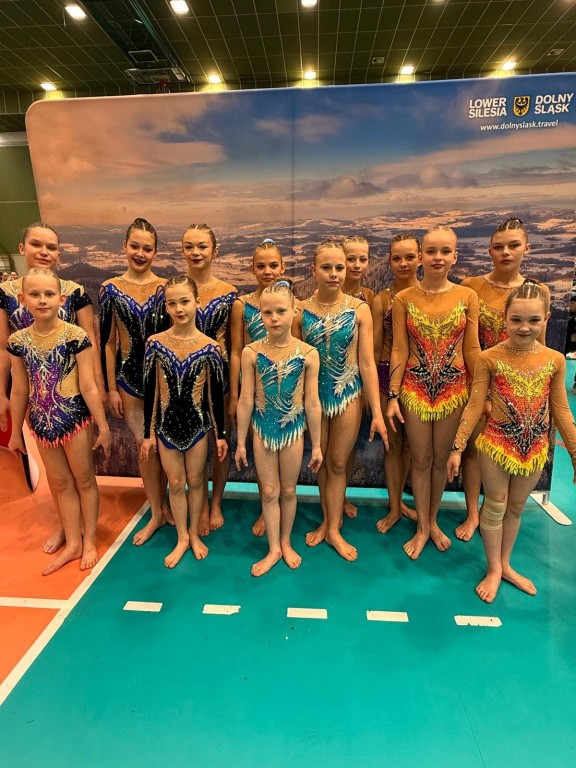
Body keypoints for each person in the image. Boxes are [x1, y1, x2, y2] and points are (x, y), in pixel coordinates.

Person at [447, 281, 576, 603]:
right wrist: (458, 447)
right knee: (495, 505)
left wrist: (574, 453)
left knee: (516, 507)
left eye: (533, 320)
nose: (524, 327)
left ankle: (505, 564)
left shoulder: (554, 360)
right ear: (504, 318)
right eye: (516, 319)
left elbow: (561, 409)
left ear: (547, 318)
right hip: (496, 444)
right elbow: (475, 405)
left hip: (534, 447)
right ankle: (493, 568)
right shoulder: (489, 358)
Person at [0, 222, 105, 555]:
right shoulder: (11, 312)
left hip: (72, 402)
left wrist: (99, 392)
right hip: (38, 406)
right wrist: (4, 400)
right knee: (58, 479)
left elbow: (90, 346)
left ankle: (86, 537)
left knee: (82, 477)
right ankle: (69, 531)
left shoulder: (74, 299)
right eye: (37, 244)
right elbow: (8, 360)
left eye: (51, 246)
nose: (44, 252)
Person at [388, 226, 480, 560]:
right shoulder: (404, 298)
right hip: (414, 389)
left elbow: (472, 349)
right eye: (431, 251)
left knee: (441, 460)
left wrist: (479, 393)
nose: (437, 258)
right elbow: (399, 349)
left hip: (454, 390)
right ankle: (422, 528)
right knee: (421, 458)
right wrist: (392, 395)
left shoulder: (467, 297)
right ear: (421, 257)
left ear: (455, 256)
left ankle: (432, 521)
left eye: (445, 252)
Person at [457, 217, 550, 542]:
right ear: (490, 251)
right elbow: (466, 342)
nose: (506, 252)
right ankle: (472, 512)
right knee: (474, 450)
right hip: (479, 380)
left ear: (527, 248)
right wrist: (480, 393)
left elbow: (541, 349)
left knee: (506, 456)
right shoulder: (472, 286)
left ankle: (493, 512)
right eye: (499, 247)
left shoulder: (537, 291)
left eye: (513, 246)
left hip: (518, 391)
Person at [295, 238, 388, 561]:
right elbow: (296, 361)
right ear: (314, 270)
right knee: (321, 462)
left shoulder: (359, 309)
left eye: (339, 267)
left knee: (337, 462)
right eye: (327, 267)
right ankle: (326, 521)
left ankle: (333, 529)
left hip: (347, 394)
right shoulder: (301, 310)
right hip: (313, 399)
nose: (334, 273)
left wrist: (377, 411)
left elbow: (367, 363)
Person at [235, 281, 322, 576]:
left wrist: (317, 445)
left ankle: (285, 542)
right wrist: (240, 442)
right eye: (267, 312)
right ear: (259, 314)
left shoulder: (308, 353)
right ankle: (273, 548)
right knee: (270, 490)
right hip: (262, 430)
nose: (273, 318)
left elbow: (312, 402)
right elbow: (246, 399)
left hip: (292, 431)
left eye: (281, 311)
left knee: (288, 489)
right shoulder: (251, 352)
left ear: (294, 311)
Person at [140, 275, 228, 567]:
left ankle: (193, 533)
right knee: (176, 483)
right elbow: (152, 393)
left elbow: (214, 396)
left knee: (195, 480)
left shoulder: (209, 347)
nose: (179, 309)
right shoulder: (155, 344)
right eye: (172, 303)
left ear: (197, 302)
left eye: (185, 302)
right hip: (166, 428)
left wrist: (220, 434)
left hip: (197, 428)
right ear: (165, 306)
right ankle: (181, 537)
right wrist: (148, 434)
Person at [99, 217, 169, 546]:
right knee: (145, 447)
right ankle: (156, 511)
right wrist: (111, 388)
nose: (140, 253)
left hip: (164, 378)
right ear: (124, 247)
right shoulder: (111, 289)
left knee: (166, 445)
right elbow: (109, 342)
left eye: (147, 248)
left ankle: (169, 504)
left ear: (156, 252)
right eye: (135, 246)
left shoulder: (166, 287)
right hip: (128, 379)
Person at [182, 223, 238, 534]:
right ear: (182, 251)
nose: (196, 252)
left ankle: (216, 501)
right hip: (184, 378)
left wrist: (234, 389)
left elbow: (235, 344)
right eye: (189, 246)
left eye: (202, 246)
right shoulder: (174, 291)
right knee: (194, 442)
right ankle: (200, 503)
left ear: (215, 251)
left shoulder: (229, 293)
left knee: (220, 440)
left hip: (220, 377)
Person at [229, 238, 286, 536]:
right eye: (261, 266)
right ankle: (267, 506)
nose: (268, 272)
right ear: (251, 268)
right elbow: (236, 351)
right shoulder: (242, 306)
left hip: (283, 388)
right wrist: (235, 393)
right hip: (253, 389)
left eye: (273, 265)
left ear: (283, 267)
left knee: (283, 448)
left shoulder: (291, 306)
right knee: (261, 449)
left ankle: (282, 504)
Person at [371, 232, 420, 532]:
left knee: (412, 446)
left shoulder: (429, 296)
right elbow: (376, 348)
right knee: (392, 445)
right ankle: (394, 507)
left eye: (409, 257)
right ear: (389, 262)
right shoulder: (382, 299)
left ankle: (401, 500)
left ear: (420, 259)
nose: (404, 263)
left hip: (419, 377)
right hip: (387, 374)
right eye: (397, 258)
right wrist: (374, 390)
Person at [340, 234, 374, 519]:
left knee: (347, 448)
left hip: (355, 383)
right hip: (325, 384)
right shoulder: (317, 299)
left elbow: (369, 352)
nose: (356, 265)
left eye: (362, 259)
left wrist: (365, 389)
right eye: (350, 259)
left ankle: (341, 496)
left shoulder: (368, 299)